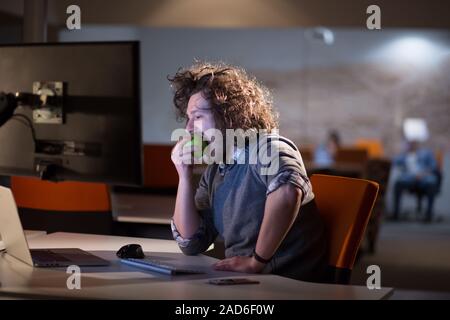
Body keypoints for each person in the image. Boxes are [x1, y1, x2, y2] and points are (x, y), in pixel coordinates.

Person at [168, 62, 328, 282]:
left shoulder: (269, 148)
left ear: (228, 115)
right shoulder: (217, 168)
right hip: (249, 282)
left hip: (285, 283)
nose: (188, 129)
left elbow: (288, 192)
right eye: (188, 118)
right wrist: (184, 177)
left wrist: (256, 261)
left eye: (197, 117)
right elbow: (191, 243)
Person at [392, 140, 439, 222]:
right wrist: (402, 151)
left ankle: (429, 214)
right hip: (409, 178)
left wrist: (422, 174)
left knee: (431, 184)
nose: (412, 144)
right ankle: (396, 213)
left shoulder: (426, 153)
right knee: (398, 184)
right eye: (410, 143)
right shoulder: (404, 155)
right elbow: (394, 162)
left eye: (414, 142)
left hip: (424, 177)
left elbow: (433, 167)